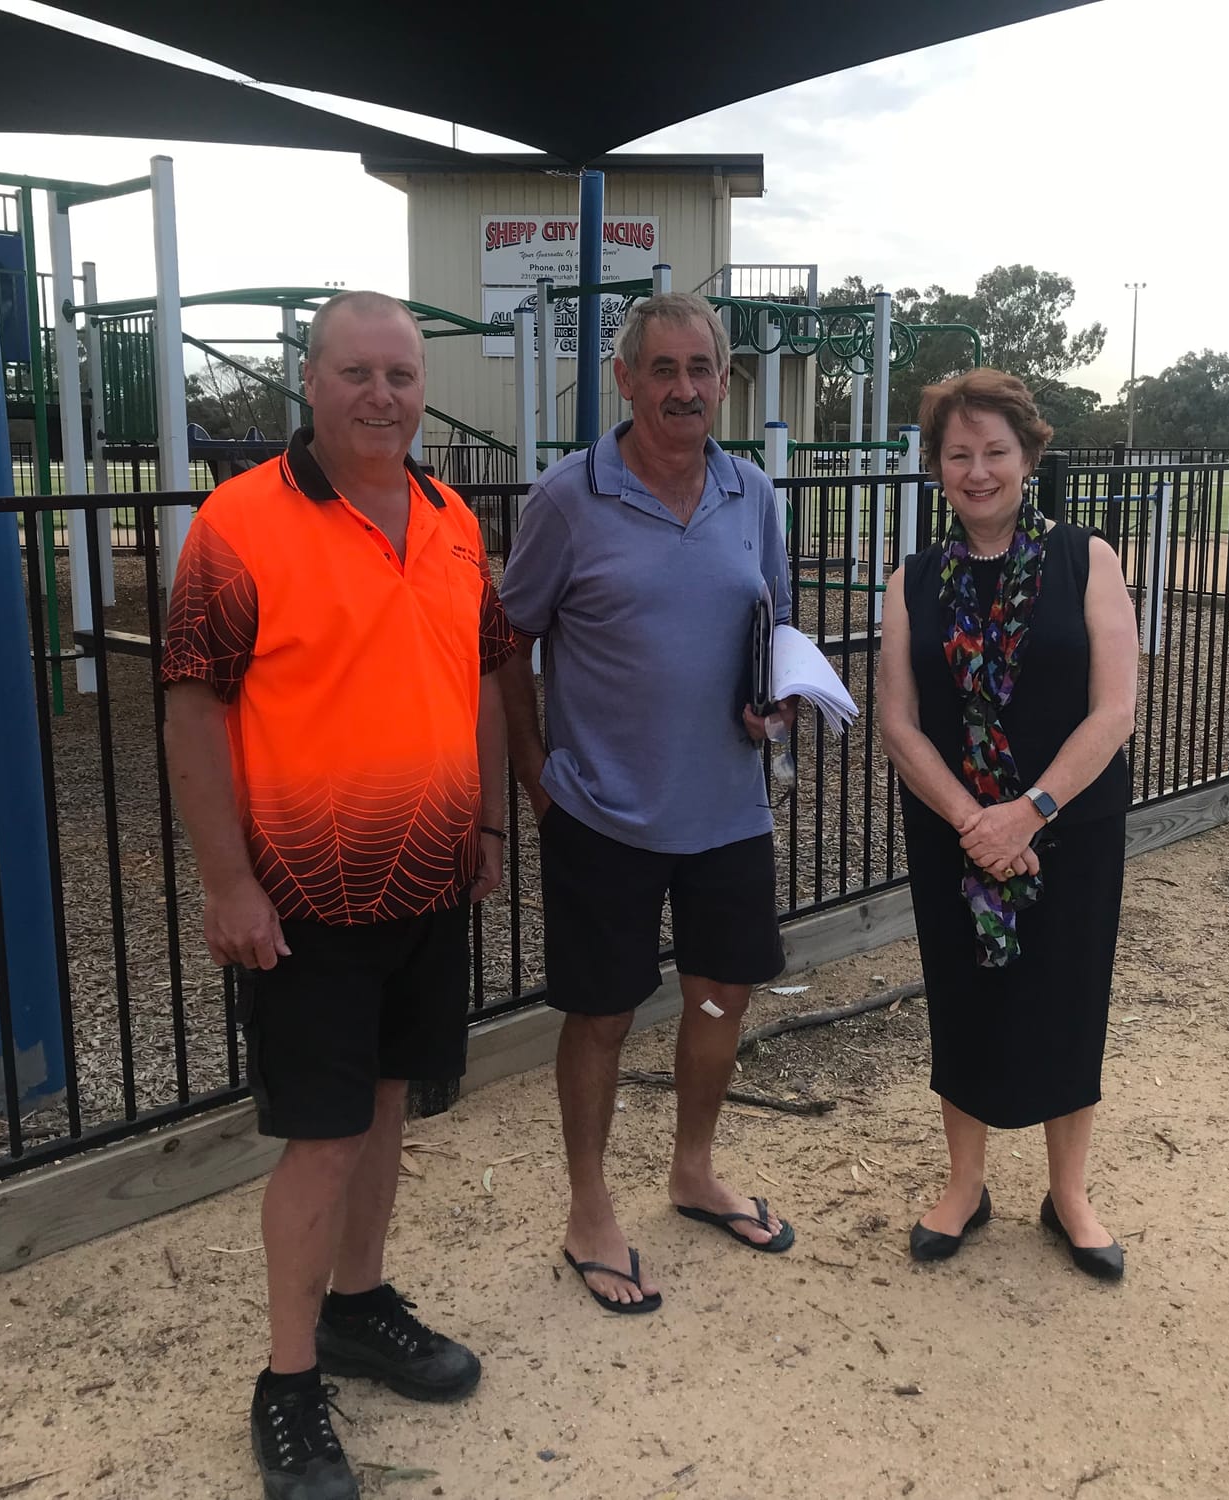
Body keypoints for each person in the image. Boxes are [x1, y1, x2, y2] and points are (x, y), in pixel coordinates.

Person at [162, 291, 516, 1500]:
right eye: (357, 372)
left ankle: (360, 1307)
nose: (382, 396)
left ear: (423, 389)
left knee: (382, 1115)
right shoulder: (238, 523)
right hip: (302, 896)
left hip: (425, 881)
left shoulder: (452, 517)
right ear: (307, 382)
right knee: (318, 1142)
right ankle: (288, 1378)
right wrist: (226, 880)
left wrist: (482, 817)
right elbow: (195, 706)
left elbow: (477, 673)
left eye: (402, 375)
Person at [496, 292, 797, 1314]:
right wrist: (535, 775)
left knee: (718, 999)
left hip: (726, 815)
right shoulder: (566, 499)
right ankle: (589, 1208)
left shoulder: (751, 492)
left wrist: (776, 702)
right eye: (660, 370)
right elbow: (508, 638)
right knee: (601, 1017)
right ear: (623, 381)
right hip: (601, 818)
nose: (682, 389)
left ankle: (692, 1169)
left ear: (723, 381)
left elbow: (774, 631)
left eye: (699, 369)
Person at [875, 368, 1138, 1280]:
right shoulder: (912, 582)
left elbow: (1114, 711)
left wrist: (1028, 812)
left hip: (1070, 827)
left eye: (995, 452)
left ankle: (1069, 1192)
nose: (977, 471)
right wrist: (974, 822)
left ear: (1029, 457)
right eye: (959, 455)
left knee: (1071, 997)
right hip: (956, 836)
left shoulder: (1088, 559)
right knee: (963, 996)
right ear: (938, 467)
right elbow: (898, 723)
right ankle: (965, 1183)